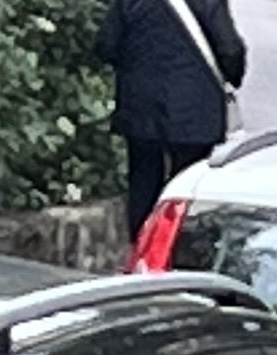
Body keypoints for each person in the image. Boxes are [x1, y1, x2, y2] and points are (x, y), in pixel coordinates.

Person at [98, 0, 250, 237]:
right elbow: (230, 49)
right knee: (187, 184)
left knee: (143, 180)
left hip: (140, 105)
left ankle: (140, 246)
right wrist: (232, 77)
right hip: (194, 110)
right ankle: (176, 246)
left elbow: (106, 46)